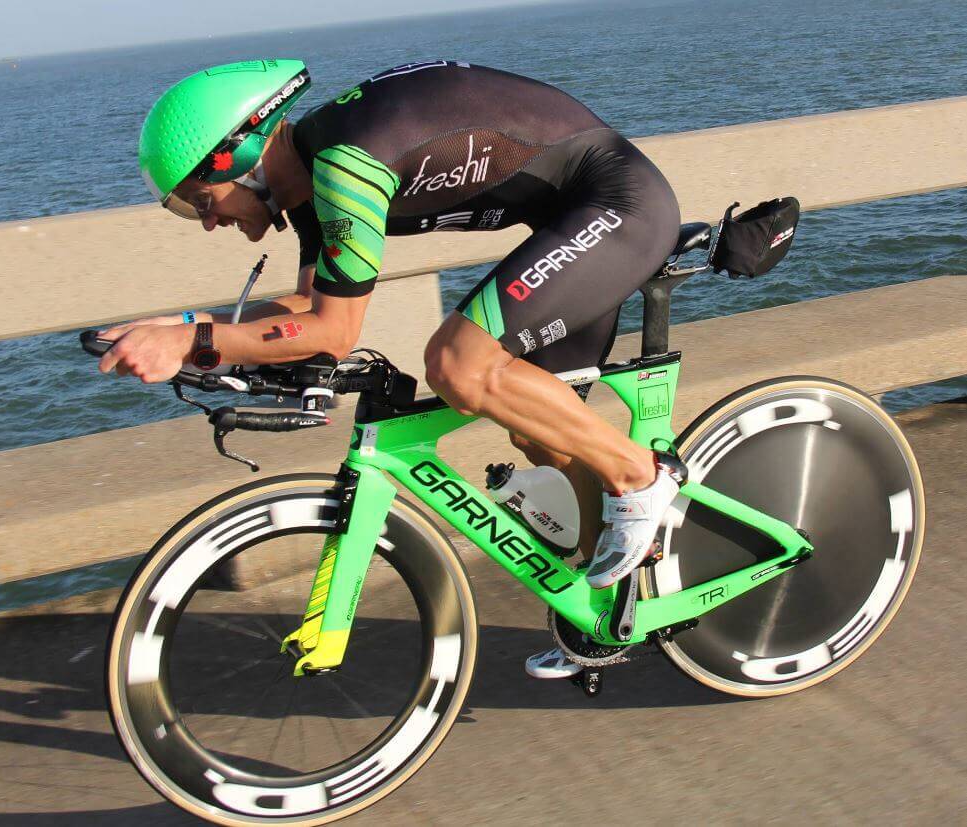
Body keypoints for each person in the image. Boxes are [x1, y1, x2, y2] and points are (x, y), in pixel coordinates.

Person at [102, 58, 684, 679]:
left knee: (459, 365)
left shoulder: (345, 164)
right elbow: (308, 309)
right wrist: (187, 331)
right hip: (573, 220)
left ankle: (643, 478)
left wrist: (197, 343)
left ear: (238, 158)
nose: (211, 221)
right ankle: (604, 610)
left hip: (617, 206)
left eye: (202, 202)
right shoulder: (313, 180)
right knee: (539, 432)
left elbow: (333, 331)